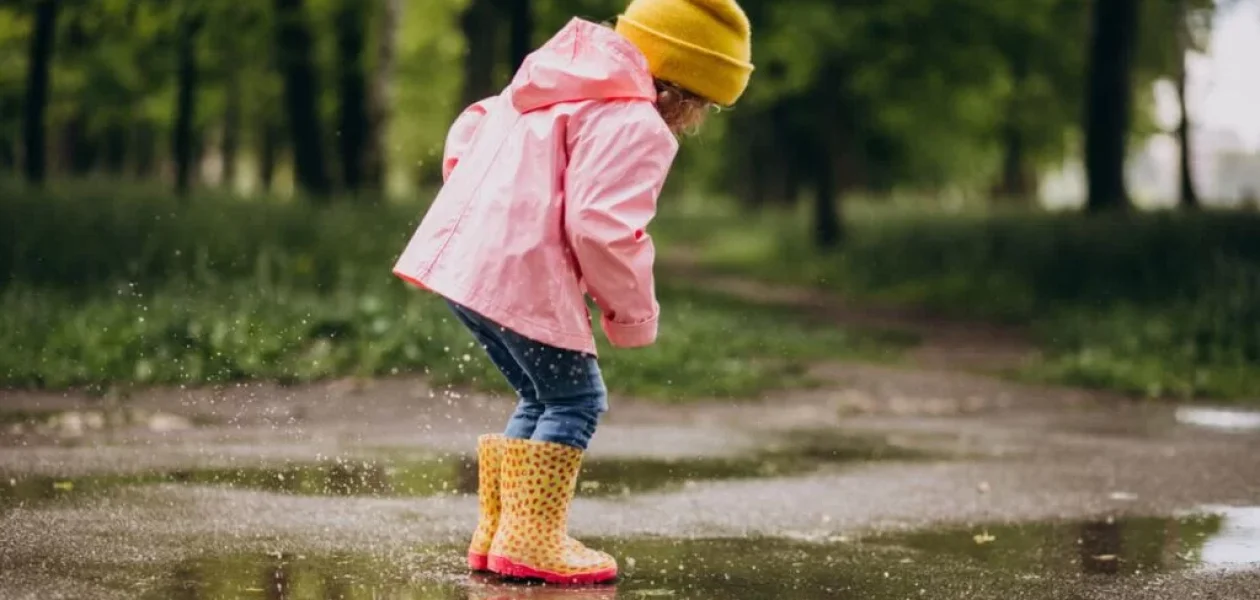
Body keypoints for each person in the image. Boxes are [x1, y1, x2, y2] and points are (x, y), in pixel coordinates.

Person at [392, 0, 753, 585]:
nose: (698, 119)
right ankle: (531, 541)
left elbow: (467, 133)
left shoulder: (549, 84)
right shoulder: (633, 121)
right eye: (706, 105)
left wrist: (492, 217)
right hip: (521, 275)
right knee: (576, 400)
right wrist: (631, 312)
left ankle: (500, 531)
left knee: (541, 397)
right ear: (685, 89)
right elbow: (602, 226)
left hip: (466, 266)